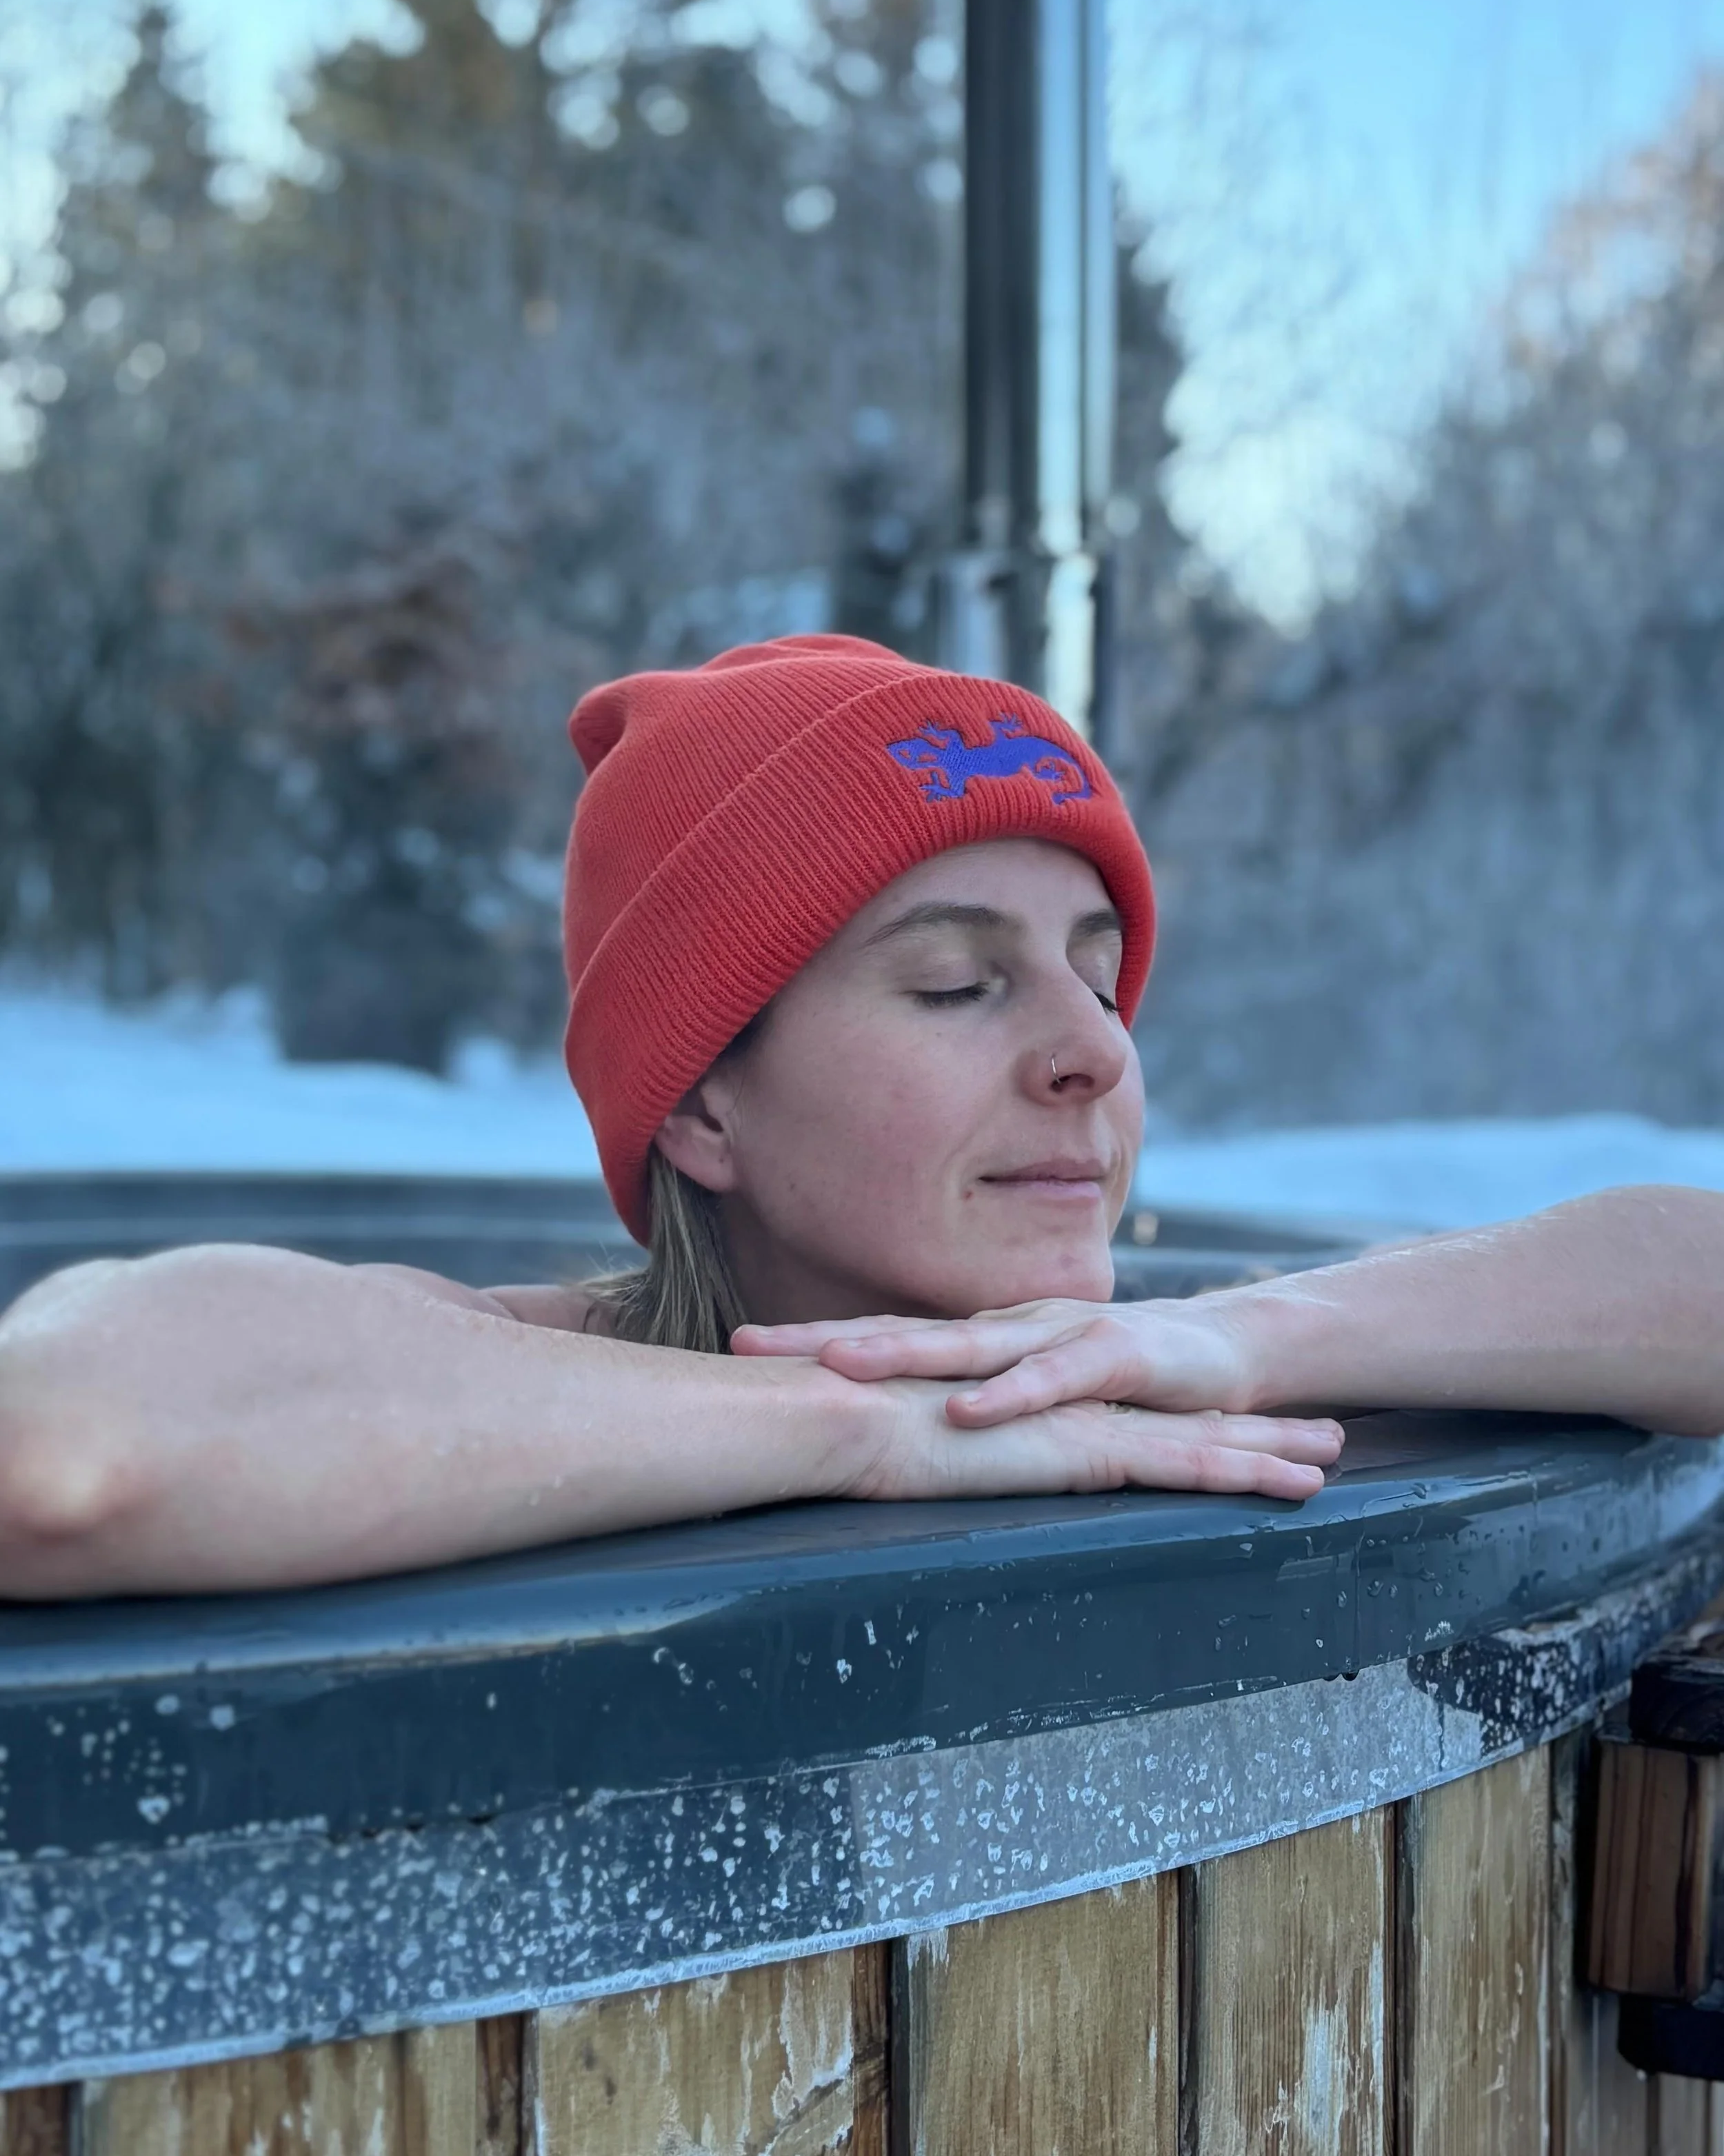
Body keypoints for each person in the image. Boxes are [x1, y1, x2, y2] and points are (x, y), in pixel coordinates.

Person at [1, 634, 1721, 1604]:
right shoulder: (513, 1368)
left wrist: (1255, 1334)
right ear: (703, 1105)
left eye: (1098, 975)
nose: (1092, 1054)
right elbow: (64, 1441)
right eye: (958, 983)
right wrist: (863, 1432)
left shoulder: (1182, 1372)